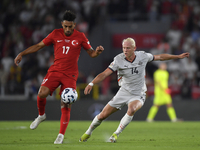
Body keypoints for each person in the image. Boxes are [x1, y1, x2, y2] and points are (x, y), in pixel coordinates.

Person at [14, 10, 104, 144]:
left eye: (70, 26)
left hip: (70, 74)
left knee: (66, 103)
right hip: (55, 71)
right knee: (42, 93)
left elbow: (91, 53)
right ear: (62, 24)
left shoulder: (80, 36)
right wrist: (22, 53)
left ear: (74, 25)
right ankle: (41, 115)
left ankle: (61, 135)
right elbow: (39, 45)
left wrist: (97, 52)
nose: (67, 29)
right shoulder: (55, 33)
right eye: (65, 26)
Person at [79, 37, 189, 143]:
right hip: (123, 92)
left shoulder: (143, 56)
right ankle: (88, 132)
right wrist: (91, 83)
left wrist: (178, 57)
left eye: (128, 48)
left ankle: (115, 134)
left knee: (131, 109)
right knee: (103, 115)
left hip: (138, 93)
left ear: (134, 48)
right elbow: (104, 73)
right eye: (123, 48)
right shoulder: (118, 59)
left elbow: (160, 57)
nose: (125, 50)